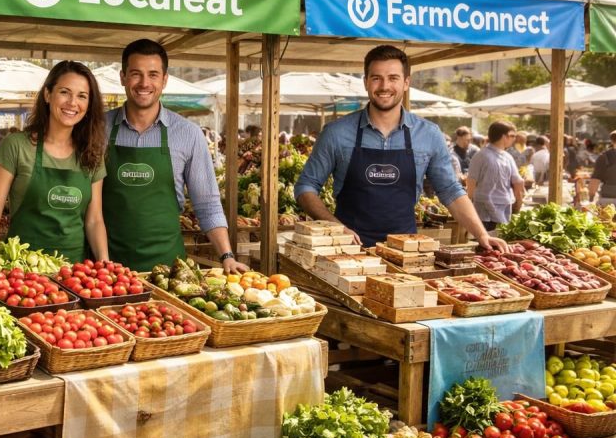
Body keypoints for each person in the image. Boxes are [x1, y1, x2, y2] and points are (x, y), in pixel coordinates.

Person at [295, 44, 507, 251]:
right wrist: (336, 227)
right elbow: (305, 187)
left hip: (407, 252)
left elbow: (450, 191)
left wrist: (482, 234)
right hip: (347, 251)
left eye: (393, 78)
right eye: (376, 78)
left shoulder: (429, 134)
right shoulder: (336, 133)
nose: (384, 86)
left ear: (406, 83)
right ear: (366, 82)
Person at [102, 39, 247, 273]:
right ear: (122, 77)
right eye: (136, 74)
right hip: (106, 268)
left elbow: (207, 204)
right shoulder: (98, 129)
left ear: (165, 80)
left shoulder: (188, 134)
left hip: (167, 268)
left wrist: (227, 256)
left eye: (153, 75)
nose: (144, 83)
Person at [0, 61, 108, 263]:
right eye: (65, 92)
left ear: (89, 104)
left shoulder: (92, 152)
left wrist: (104, 262)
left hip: (75, 273)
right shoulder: (17, 146)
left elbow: (94, 220)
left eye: (82, 96)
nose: (73, 103)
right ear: (48, 95)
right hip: (22, 272)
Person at [466, 121, 525, 230]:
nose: (514, 139)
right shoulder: (481, 155)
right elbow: (471, 181)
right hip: (484, 210)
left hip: (504, 208)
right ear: (503, 136)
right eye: (512, 136)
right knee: (488, 242)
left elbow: (517, 182)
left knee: (498, 241)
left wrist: (518, 200)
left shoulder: (507, 156)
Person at [589, 131, 616, 207]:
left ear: (612, 141)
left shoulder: (604, 157)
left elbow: (595, 182)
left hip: (609, 200)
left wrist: (591, 198)